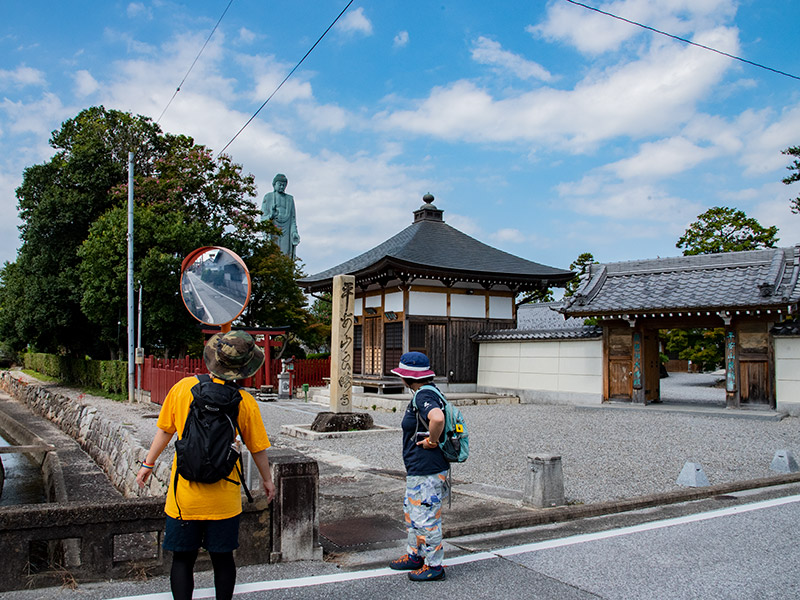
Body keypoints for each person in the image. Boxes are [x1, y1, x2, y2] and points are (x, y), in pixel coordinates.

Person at [136, 330, 277, 600]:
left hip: (183, 497)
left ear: (213, 359)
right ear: (244, 368)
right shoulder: (245, 402)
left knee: (182, 560)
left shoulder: (182, 388)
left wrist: (148, 464)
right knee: (223, 560)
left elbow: (165, 431)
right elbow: (258, 448)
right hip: (224, 498)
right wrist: (267, 480)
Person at [388, 351, 449, 582]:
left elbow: (438, 418)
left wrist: (432, 441)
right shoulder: (427, 392)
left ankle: (434, 565)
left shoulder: (424, 395)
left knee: (425, 517)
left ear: (407, 377)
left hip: (427, 468)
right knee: (413, 513)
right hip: (419, 467)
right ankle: (415, 555)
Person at [261, 173, 300, 259]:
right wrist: (271, 215)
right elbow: (263, 216)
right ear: (274, 184)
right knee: (273, 253)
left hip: (286, 230)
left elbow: (293, 219)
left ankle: (284, 271)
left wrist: (294, 232)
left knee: (285, 254)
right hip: (273, 228)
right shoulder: (268, 197)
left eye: (284, 185)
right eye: (279, 185)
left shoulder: (290, 199)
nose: (282, 187)